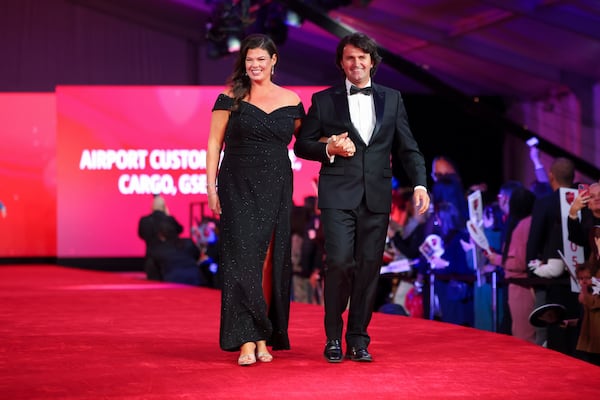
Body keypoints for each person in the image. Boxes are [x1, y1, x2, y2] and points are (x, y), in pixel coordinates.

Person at [294, 32, 430, 363]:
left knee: (369, 268)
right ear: (341, 63)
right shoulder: (324, 100)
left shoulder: (393, 98)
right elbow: (302, 144)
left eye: (362, 57)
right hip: (337, 194)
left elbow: (408, 146)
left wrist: (420, 184)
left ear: (372, 61)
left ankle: (358, 338)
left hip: (377, 196)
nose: (356, 63)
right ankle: (332, 336)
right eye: (350, 57)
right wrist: (329, 147)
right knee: (339, 262)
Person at [205, 33, 304, 366]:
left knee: (268, 263)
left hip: (277, 184)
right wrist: (210, 187)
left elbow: (306, 145)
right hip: (236, 183)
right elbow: (213, 144)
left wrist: (334, 147)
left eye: (261, 59)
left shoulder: (291, 99)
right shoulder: (229, 96)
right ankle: (247, 339)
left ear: (274, 61)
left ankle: (264, 336)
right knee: (240, 261)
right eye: (249, 60)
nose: (255, 65)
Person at [485, 187, 537, 342]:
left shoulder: (523, 225)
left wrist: (497, 259)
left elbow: (519, 262)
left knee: (524, 335)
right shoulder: (524, 223)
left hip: (521, 285)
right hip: (519, 284)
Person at [138, 195, 183, 281]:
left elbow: (141, 234)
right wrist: (168, 215)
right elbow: (179, 230)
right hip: (168, 258)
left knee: (152, 284)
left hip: (151, 256)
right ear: (164, 206)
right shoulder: (169, 219)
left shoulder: (144, 220)